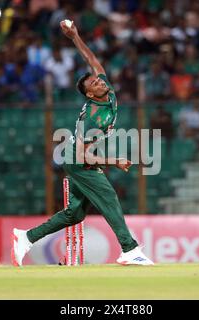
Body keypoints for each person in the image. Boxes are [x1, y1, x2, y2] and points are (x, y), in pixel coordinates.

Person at [12, 21, 154, 266]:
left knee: (74, 214)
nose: (101, 81)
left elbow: (91, 58)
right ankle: (129, 249)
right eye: (95, 84)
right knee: (108, 195)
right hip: (78, 160)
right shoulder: (93, 118)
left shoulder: (104, 88)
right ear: (90, 94)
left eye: (98, 80)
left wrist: (75, 36)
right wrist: (115, 162)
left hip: (77, 156)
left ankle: (26, 237)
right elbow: (84, 156)